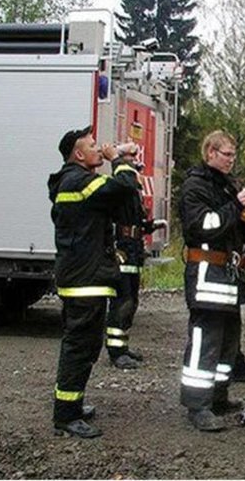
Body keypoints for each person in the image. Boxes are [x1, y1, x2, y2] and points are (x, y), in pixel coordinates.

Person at [48, 126, 139, 438]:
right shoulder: (80, 182)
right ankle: (66, 415)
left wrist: (123, 154)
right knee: (79, 347)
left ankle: (72, 406)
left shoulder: (74, 180)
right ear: (77, 154)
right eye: (92, 145)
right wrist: (119, 160)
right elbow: (123, 187)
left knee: (84, 347)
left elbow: (120, 203)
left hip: (84, 276)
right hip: (84, 280)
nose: (98, 148)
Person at [178, 130, 245, 432]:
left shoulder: (226, 187)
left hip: (227, 277)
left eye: (233, 155)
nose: (231, 160)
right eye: (227, 154)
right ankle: (197, 405)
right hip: (205, 276)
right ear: (210, 152)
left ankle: (219, 396)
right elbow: (204, 226)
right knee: (205, 341)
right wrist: (235, 206)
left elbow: (234, 227)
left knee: (228, 341)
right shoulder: (195, 186)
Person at [105, 146, 162, 370]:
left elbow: (134, 217)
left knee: (131, 301)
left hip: (134, 247)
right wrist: (118, 160)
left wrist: (149, 226)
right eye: (131, 157)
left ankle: (122, 346)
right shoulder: (121, 183)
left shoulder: (132, 185)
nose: (136, 161)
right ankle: (116, 352)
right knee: (122, 301)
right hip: (124, 248)